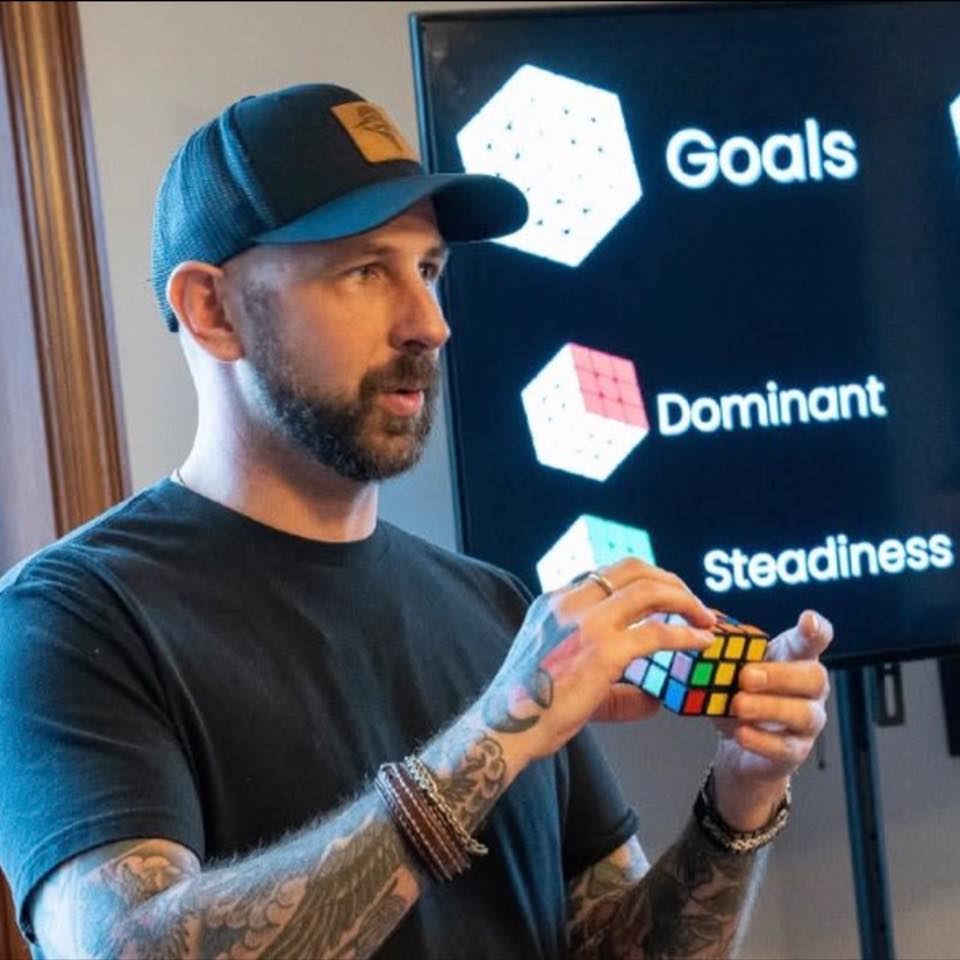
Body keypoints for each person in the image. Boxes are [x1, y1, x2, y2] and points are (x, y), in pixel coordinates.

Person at [0, 83, 832, 960]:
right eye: (366, 270)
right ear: (212, 309)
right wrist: (499, 730)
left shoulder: (492, 608)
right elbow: (124, 948)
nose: (429, 324)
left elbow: (608, 947)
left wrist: (739, 802)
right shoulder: (68, 619)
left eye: (429, 270)